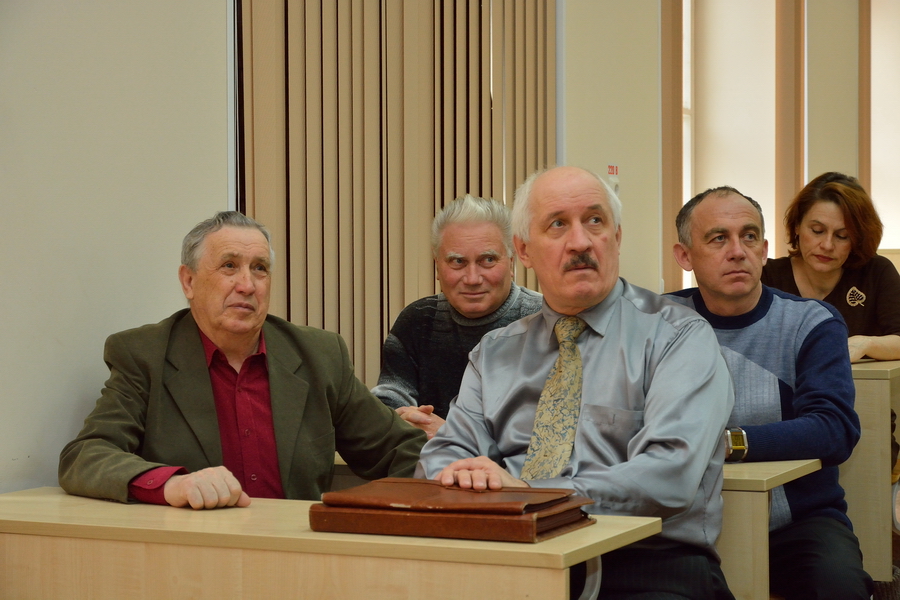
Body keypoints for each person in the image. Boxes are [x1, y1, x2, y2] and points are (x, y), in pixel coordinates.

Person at [417, 166, 736, 599]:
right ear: (524, 250)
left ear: (616, 237)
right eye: (557, 225)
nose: (581, 242)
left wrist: (530, 495)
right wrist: (469, 481)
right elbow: (442, 457)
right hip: (515, 561)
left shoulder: (678, 337)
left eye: (595, 221)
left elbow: (670, 473)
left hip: (646, 562)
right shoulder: (494, 353)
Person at [59, 211, 426, 510]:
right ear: (188, 281)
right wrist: (173, 484)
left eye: (260, 268)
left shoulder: (319, 355)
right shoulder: (145, 355)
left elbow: (398, 450)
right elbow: (86, 455)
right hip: (191, 554)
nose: (247, 285)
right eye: (229, 266)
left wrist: (452, 469)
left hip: (296, 552)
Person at [670, 186, 873, 599]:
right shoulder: (657, 323)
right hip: (680, 519)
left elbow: (834, 428)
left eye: (749, 237)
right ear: (685, 256)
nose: (737, 251)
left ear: (764, 251)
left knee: (840, 586)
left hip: (796, 524)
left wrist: (728, 443)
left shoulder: (811, 323)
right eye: (718, 238)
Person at [760, 171, 900, 534]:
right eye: (816, 230)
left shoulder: (876, 273)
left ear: (858, 238)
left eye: (842, 236)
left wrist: (865, 343)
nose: (826, 245)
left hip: (862, 423)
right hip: (779, 425)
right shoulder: (767, 277)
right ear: (797, 227)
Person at [372, 194, 542, 438]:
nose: (472, 278)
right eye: (458, 262)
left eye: (488, 260)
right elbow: (389, 399)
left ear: (512, 262)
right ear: (437, 266)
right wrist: (404, 419)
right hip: (423, 459)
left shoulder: (547, 322)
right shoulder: (417, 321)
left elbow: (550, 432)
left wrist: (452, 435)